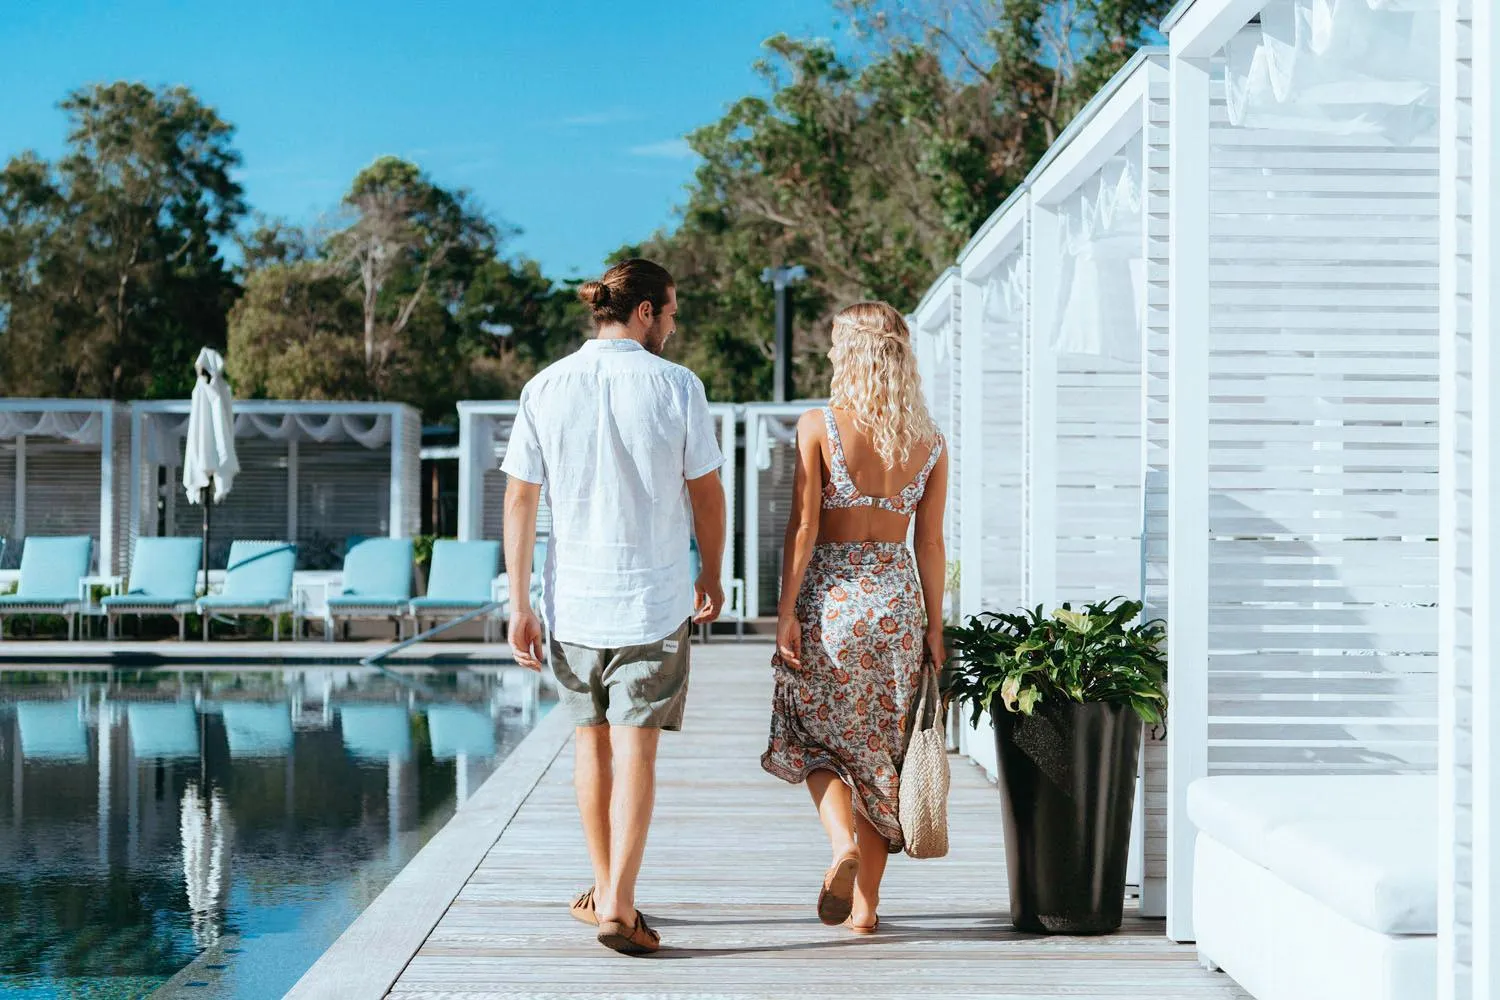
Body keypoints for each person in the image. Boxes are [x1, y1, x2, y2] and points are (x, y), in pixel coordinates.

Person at [502, 258, 727, 957]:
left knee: (588, 746)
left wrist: (519, 603)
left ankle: (605, 892)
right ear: (645, 313)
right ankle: (619, 903)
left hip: (573, 603)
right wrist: (712, 573)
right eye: (672, 311)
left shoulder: (544, 387)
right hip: (653, 600)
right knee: (637, 752)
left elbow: (519, 499)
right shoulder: (677, 386)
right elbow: (708, 493)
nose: (674, 324)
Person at [761, 300, 948, 935]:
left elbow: (805, 527)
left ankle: (839, 841)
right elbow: (930, 544)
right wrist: (934, 628)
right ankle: (866, 908)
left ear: (852, 353)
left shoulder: (818, 424)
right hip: (896, 603)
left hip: (832, 603)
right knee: (880, 758)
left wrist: (785, 613)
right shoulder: (928, 441)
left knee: (811, 736)